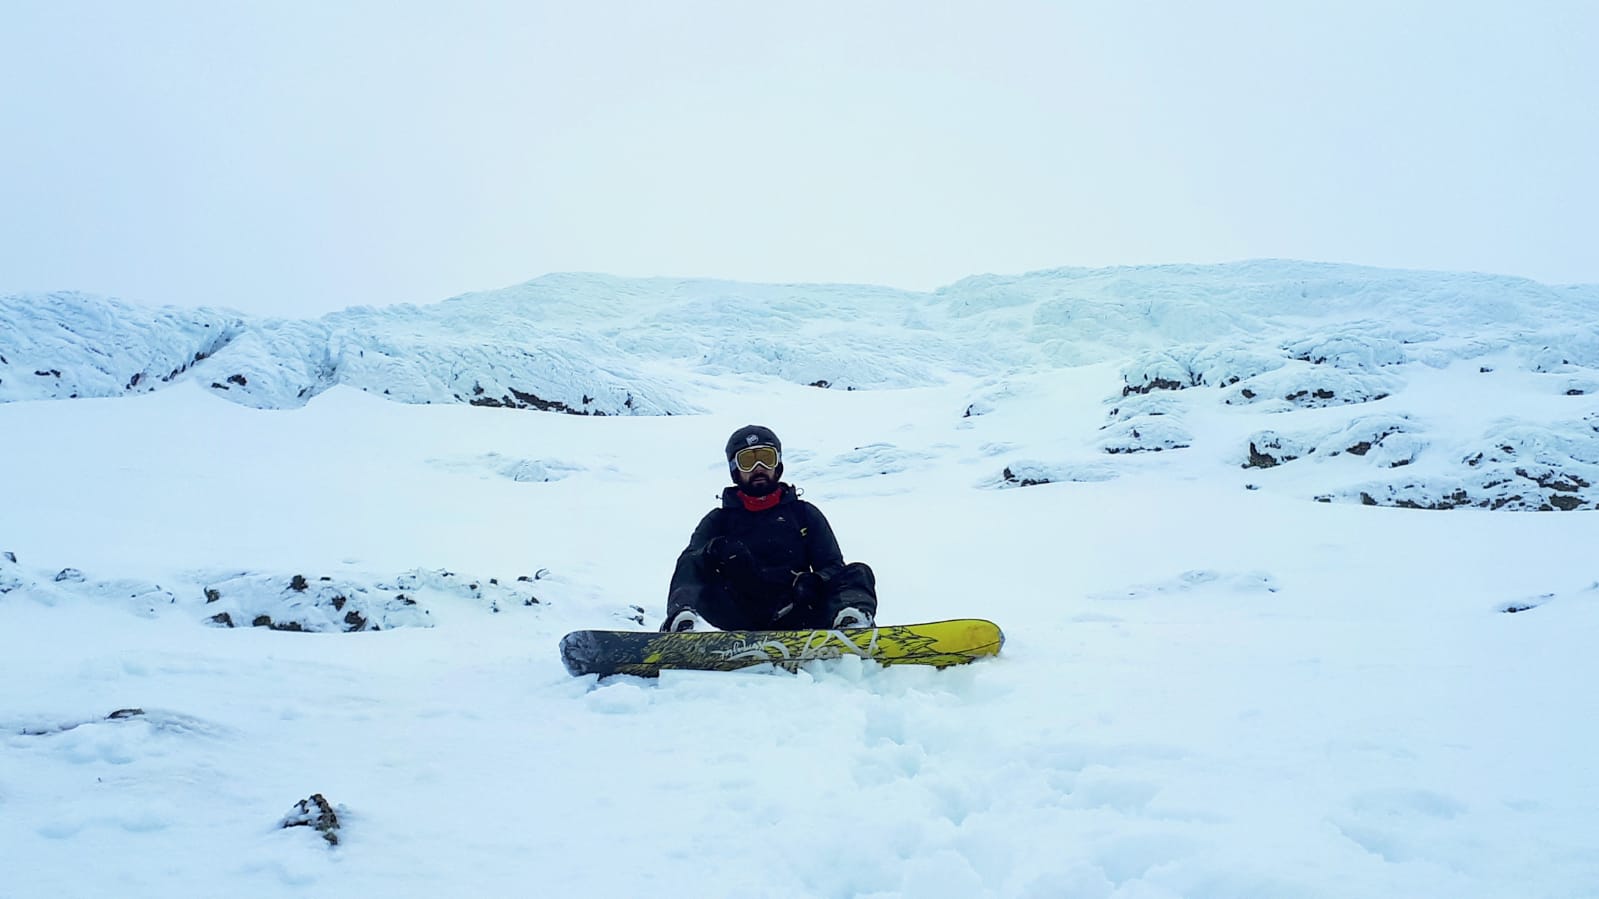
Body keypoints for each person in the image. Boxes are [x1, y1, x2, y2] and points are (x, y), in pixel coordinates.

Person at [662, 425, 879, 632]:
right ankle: (683, 624)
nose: (758, 468)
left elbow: (833, 566)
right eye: (748, 461)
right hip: (736, 611)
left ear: (778, 465)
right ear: (735, 471)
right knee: (690, 560)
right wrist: (714, 550)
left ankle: (853, 626)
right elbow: (691, 564)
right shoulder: (718, 520)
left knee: (857, 572)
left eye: (766, 458)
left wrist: (813, 581)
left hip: (798, 608)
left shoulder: (804, 514)